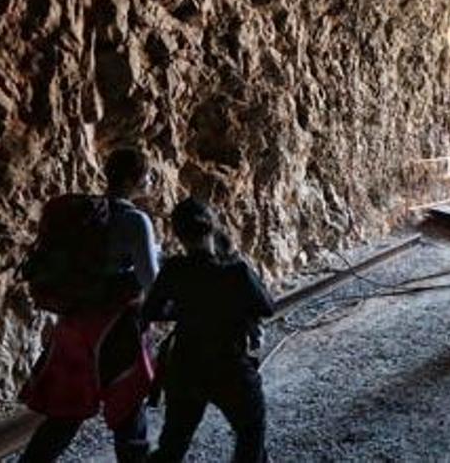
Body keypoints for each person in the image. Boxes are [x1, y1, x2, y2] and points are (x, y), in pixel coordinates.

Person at [19, 148, 160, 463]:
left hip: (74, 323)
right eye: (149, 174)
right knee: (128, 409)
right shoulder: (136, 221)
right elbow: (152, 281)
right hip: (115, 327)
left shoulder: (83, 215)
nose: (152, 180)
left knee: (66, 413)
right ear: (133, 179)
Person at [144, 198, 275, 463]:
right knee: (250, 430)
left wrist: (183, 311)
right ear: (213, 228)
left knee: (173, 444)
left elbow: (151, 311)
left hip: (185, 365)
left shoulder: (173, 269)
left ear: (178, 234)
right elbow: (266, 307)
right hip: (228, 364)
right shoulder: (236, 271)